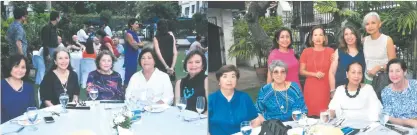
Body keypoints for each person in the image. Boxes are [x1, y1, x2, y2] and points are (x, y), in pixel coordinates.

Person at [209, 65, 263, 135]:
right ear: (219, 81)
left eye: (233, 76)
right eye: (225, 76)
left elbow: (255, 120)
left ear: (236, 80)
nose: (229, 80)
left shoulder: (244, 97)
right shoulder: (211, 99)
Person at [300, 26, 334, 117]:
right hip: (311, 88)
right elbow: (301, 71)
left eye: (320, 35)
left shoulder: (331, 51)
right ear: (312, 38)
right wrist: (314, 74)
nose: (318, 37)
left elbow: (334, 70)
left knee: (325, 115)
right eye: (315, 35)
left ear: (324, 38)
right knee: (311, 116)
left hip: (325, 87)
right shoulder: (306, 52)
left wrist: (332, 90)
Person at [329, 26, 366, 95]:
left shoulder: (363, 51)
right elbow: (331, 72)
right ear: (343, 37)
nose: (349, 36)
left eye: (352, 33)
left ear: (356, 36)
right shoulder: (338, 51)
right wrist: (332, 91)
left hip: (359, 91)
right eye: (346, 34)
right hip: (340, 91)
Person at [381, 58, 417, 128]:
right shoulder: (386, 92)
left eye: (398, 71)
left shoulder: (415, 85)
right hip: (400, 128)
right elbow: (389, 117)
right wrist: (409, 122)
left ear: (405, 72)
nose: (394, 74)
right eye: (391, 71)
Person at [362, 12, 396, 84]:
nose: (370, 26)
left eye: (373, 23)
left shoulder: (387, 40)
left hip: (383, 80)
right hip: (367, 79)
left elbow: (394, 64)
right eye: (367, 24)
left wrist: (378, 68)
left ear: (379, 24)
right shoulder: (364, 40)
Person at [1, 54, 36, 124]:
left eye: (23, 67)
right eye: (16, 66)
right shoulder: (2, 85)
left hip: (26, 126)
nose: (20, 70)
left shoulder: (29, 87)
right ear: (10, 67)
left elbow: (32, 109)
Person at [124, 18, 144, 86]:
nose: (138, 25)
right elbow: (135, 47)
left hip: (134, 57)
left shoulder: (135, 34)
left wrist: (138, 44)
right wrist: (139, 44)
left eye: (138, 24)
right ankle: (126, 91)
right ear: (131, 24)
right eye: (136, 24)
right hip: (130, 58)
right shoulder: (128, 34)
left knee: (134, 75)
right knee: (129, 76)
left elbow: (141, 45)